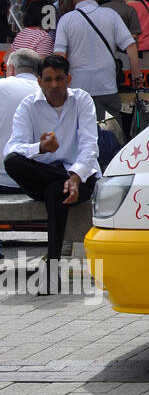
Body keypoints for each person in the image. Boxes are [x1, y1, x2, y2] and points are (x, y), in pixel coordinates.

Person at [2, 54, 99, 291]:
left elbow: (89, 146)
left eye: (59, 79)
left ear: (68, 79)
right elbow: (12, 148)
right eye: (48, 80)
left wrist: (75, 176)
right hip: (46, 174)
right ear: (39, 82)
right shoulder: (28, 105)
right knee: (13, 161)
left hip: (79, 178)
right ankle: (65, 181)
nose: (54, 85)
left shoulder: (82, 100)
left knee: (57, 190)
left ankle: (52, 268)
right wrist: (40, 148)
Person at [52, 0, 141, 121]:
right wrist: (136, 73)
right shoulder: (111, 15)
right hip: (106, 85)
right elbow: (130, 45)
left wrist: (58, 83)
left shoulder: (66, 20)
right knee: (110, 128)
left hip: (77, 86)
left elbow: (59, 55)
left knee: (78, 129)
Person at [0, 49, 43, 194]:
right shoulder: (51, 92)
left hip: (3, 180)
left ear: (11, 68)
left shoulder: (2, 86)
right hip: (40, 181)